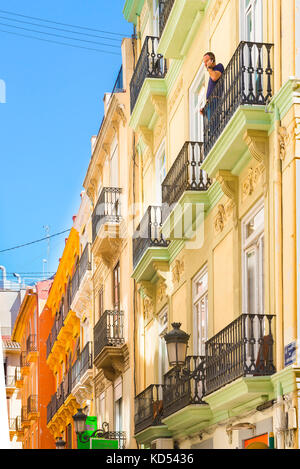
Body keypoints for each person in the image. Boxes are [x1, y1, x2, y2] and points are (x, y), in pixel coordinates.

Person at [200, 52, 224, 117]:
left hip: (215, 101)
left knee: (215, 125)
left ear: (212, 60)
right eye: (204, 62)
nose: (205, 64)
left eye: (207, 61)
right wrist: (205, 108)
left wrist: (209, 68)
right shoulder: (211, 72)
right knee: (211, 125)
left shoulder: (219, 66)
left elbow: (214, 77)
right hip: (210, 104)